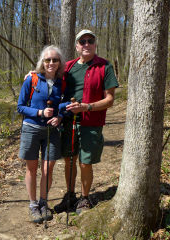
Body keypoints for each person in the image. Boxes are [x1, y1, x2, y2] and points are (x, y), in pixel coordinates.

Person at [53, 29, 119, 214]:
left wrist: (87, 107)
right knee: (69, 160)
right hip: (68, 121)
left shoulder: (104, 67)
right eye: (83, 42)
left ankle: (84, 198)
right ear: (77, 46)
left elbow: (110, 100)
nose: (86, 44)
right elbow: (48, 74)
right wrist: (33, 74)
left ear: (95, 44)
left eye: (90, 41)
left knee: (85, 162)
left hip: (91, 121)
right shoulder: (69, 66)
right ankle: (70, 195)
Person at [17, 45, 67, 223]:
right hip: (31, 128)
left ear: (60, 62)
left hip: (51, 131)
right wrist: (39, 113)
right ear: (42, 62)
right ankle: (33, 205)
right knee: (31, 168)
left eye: (55, 60)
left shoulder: (62, 82)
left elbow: (66, 103)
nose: (51, 63)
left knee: (48, 168)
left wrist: (60, 116)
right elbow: (20, 107)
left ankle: (43, 202)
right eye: (47, 60)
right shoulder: (32, 80)